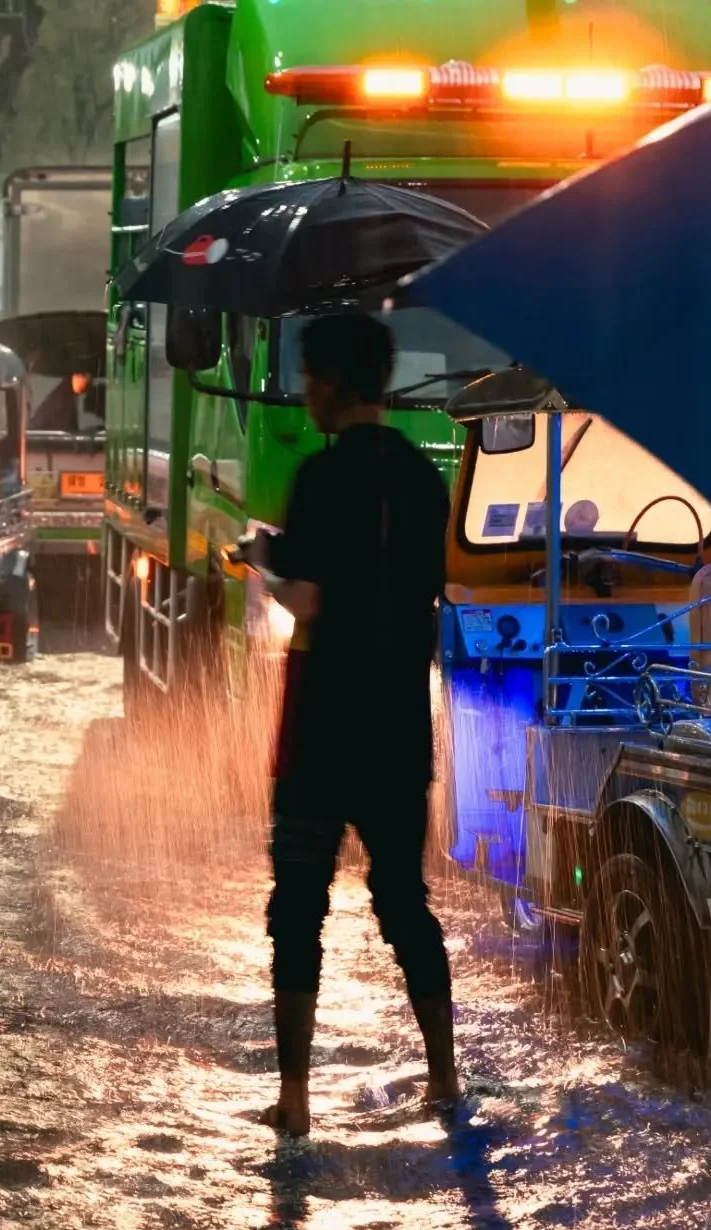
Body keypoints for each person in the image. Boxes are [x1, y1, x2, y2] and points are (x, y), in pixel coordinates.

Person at [244, 311, 458, 1137]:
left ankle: (296, 1099)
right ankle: (444, 1079)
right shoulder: (425, 480)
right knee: (404, 902)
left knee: (298, 906)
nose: (305, 393)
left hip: (322, 731)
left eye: (308, 378)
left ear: (333, 383)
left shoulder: (320, 477)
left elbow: (308, 600)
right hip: (399, 727)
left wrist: (263, 562)